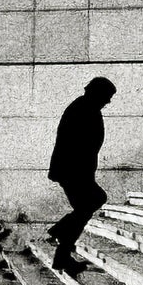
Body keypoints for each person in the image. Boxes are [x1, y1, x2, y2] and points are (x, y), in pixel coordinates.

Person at [47, 77, 116, 264]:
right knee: (92, 202)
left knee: (86, 207)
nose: (108, 101)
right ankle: (62, 245)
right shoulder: (83, 109)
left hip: (75, 171)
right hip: (73, 171)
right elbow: (75, 145)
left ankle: (62, 245)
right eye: (107, 97)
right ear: (97, 93)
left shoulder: (85, 107)